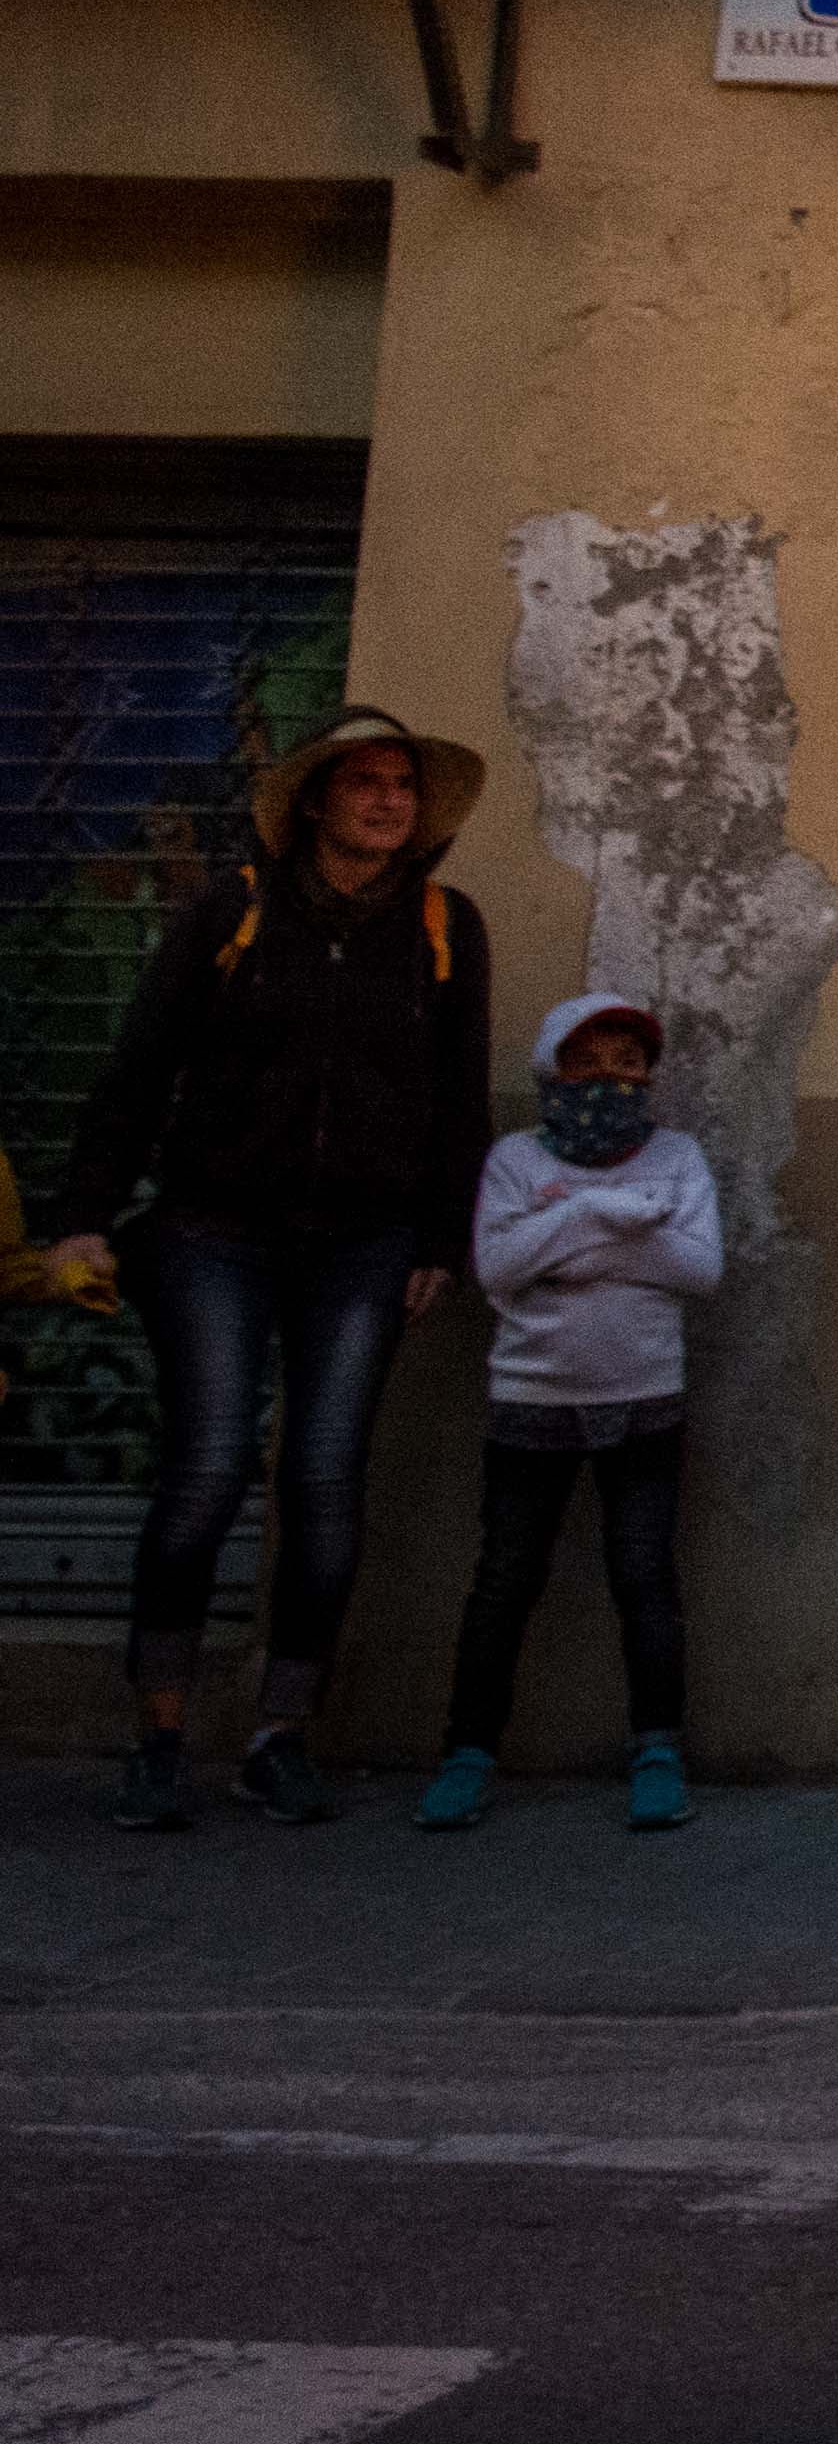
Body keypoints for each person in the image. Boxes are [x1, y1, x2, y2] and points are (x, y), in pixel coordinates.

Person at [59, 705, 491, 1833]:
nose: (390, 800)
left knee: (324, 1485)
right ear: (313, 801)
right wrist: (84, 1217)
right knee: (205, 1473)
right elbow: (140, 1067)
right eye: (366, 783)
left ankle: (278, 1737)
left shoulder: (447, 926)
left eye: (404, 783)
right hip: (215, 1231)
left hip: (366, 1244)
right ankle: (158, 1740)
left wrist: (443, 1242)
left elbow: (459, 1099)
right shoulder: (230, 910)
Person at [413, 993, 721, 1835]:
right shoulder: (515, 1158)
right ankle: (468, 1753)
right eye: (589, 1062)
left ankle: (657, 1750)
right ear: (554, 1070)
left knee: (645, 1578)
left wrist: (563, 1250)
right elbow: (498, 1269)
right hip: (532, 1401)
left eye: (628, 1064)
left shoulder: (678, 1156)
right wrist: (599, 1214)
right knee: (504, 1582)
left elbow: (699, 1268)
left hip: (645, 1399)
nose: (610, 1078)